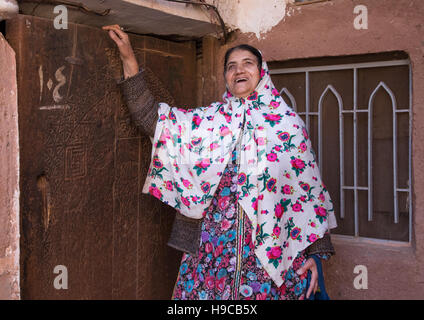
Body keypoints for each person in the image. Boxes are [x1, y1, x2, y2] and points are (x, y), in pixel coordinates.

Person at [104, 24, 337, 300]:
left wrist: (316, 255)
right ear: (226, 77)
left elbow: (307, 192)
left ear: (262, 72)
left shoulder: (288, 126)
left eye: (248, 63)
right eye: (231, 66)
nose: (239, 70)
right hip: (210, 256)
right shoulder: (208, 122)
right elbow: (153, 122)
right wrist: (128, 58)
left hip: (271, 258)